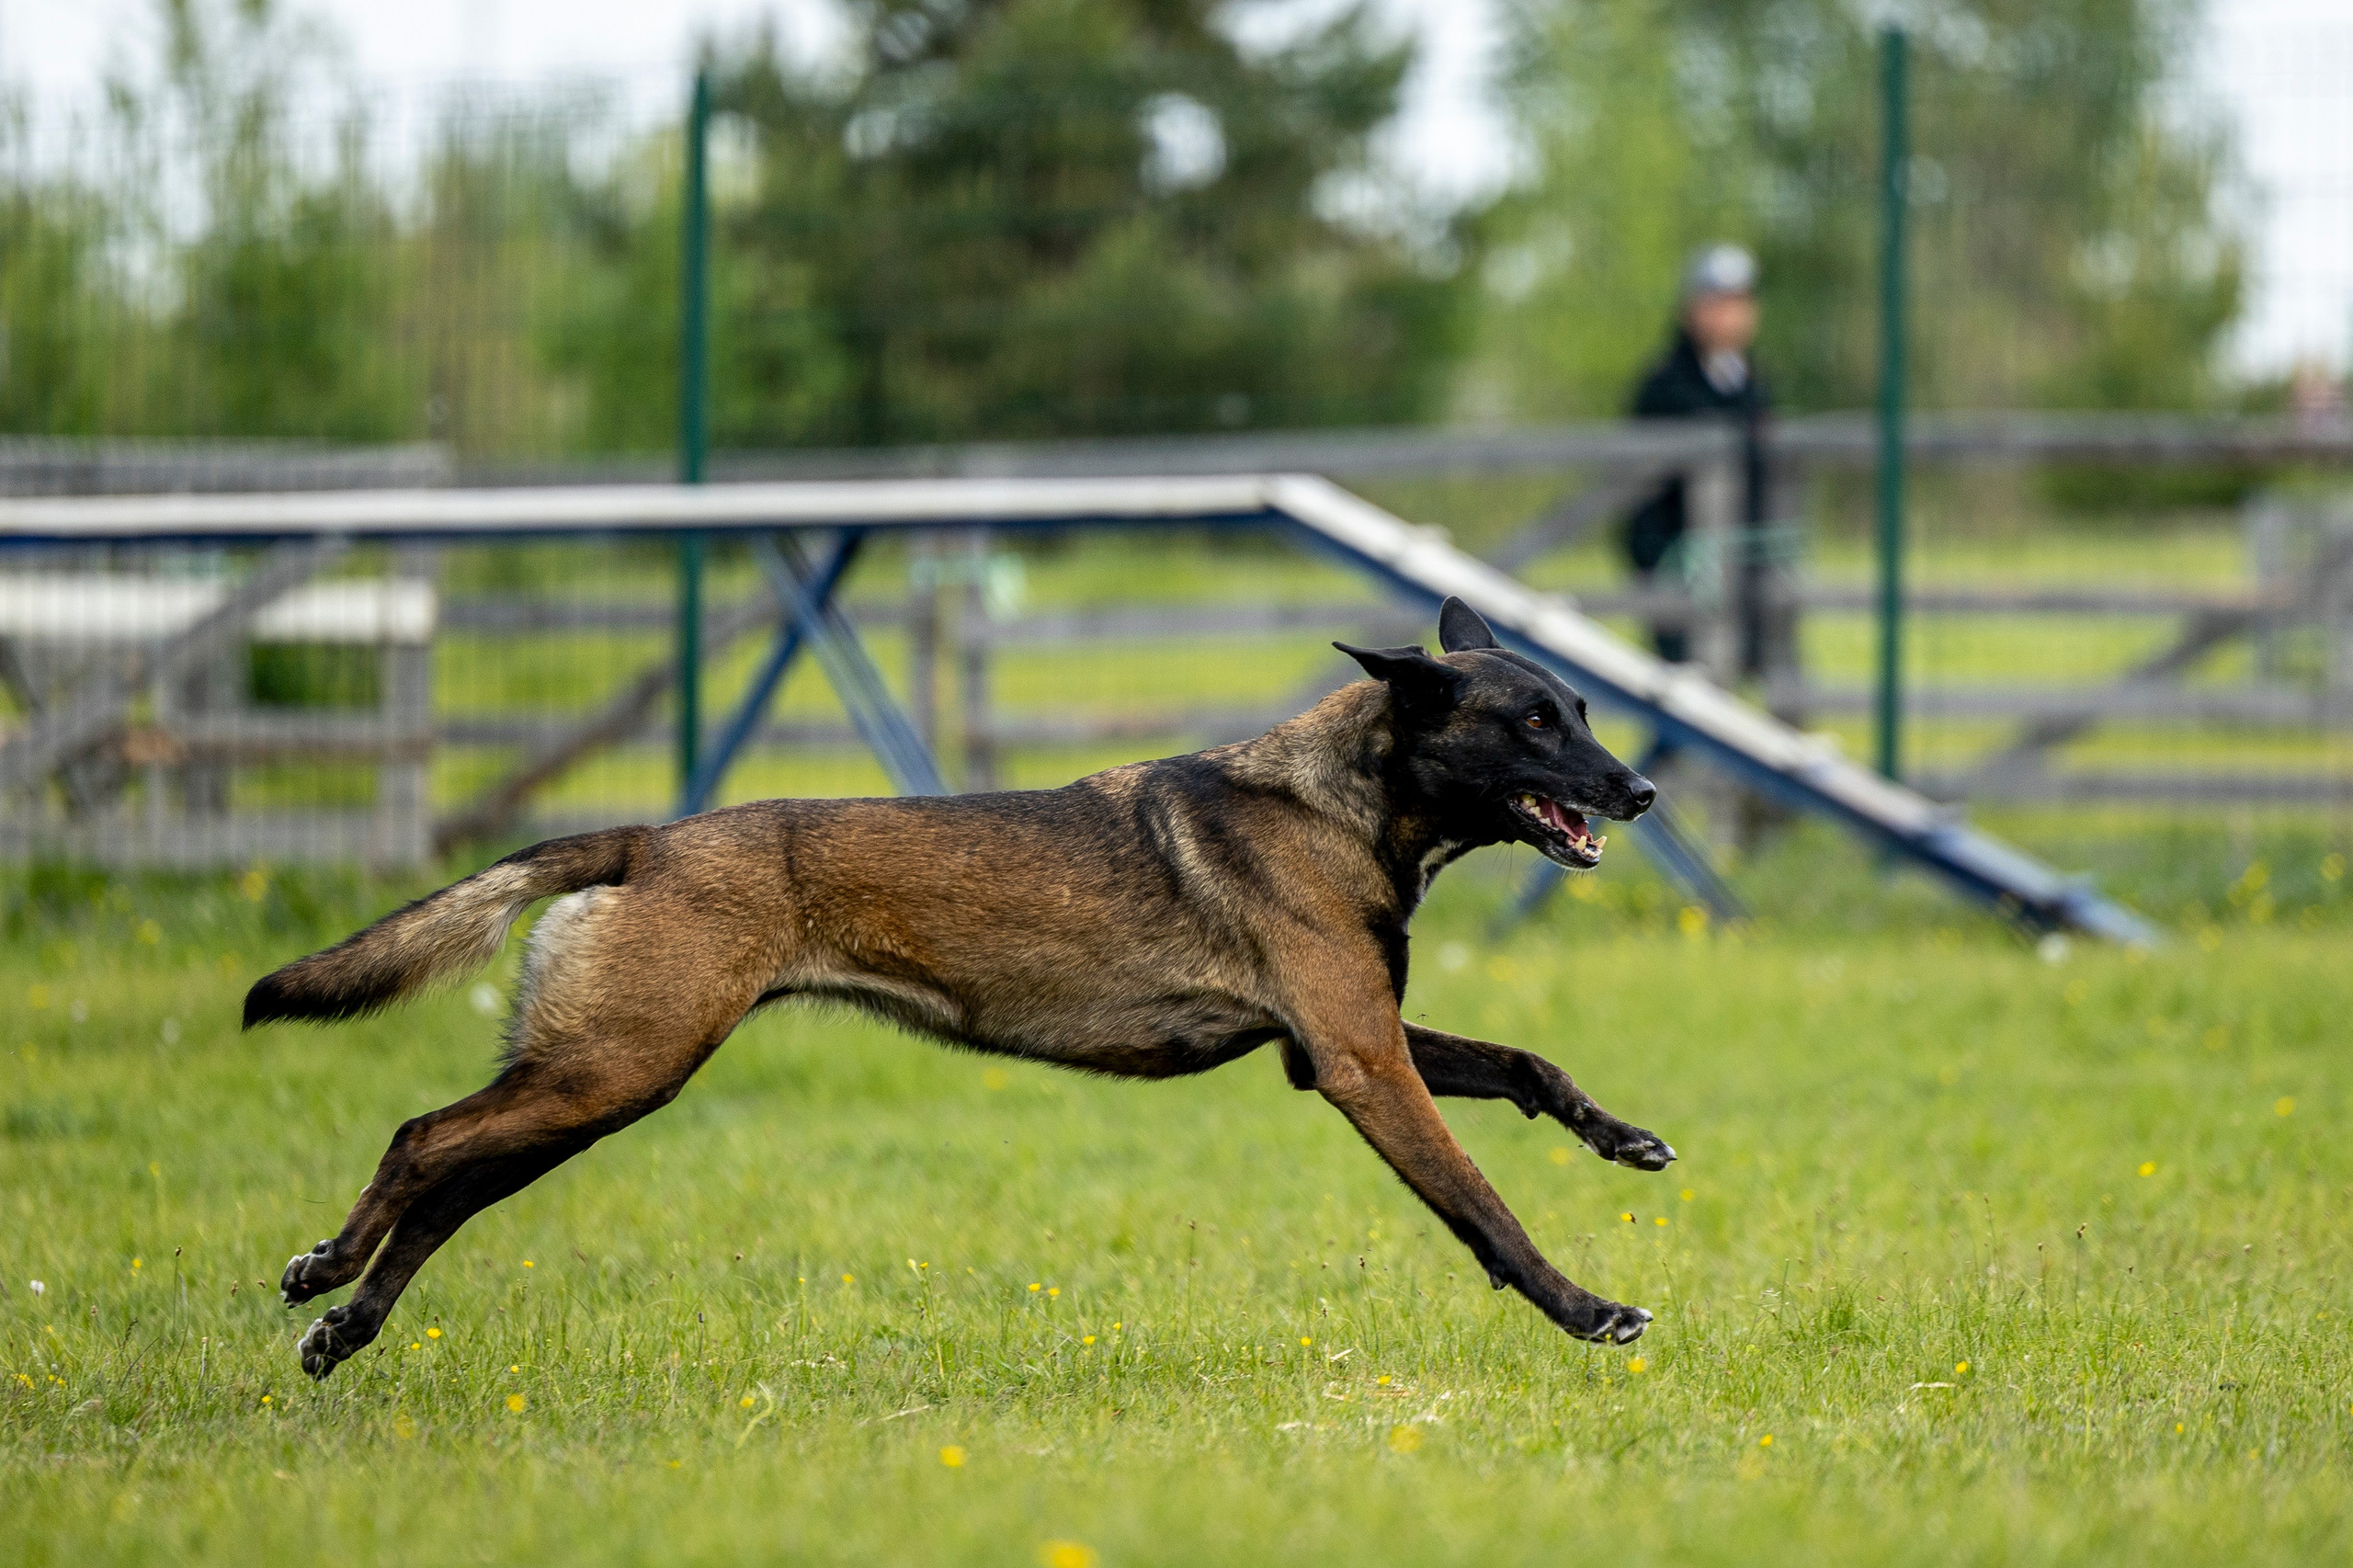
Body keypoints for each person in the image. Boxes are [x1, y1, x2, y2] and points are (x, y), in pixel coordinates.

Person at [1620, 244, 1770, 667]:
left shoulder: (1754, 385)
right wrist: (1656, 568)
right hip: (1681, 571)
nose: (1730, 314)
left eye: (1739, 302)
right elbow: (1638, 491)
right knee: (1684, 692)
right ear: (1692, 309)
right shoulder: (1664, 386)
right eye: (1718, 302)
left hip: (1748, 573)